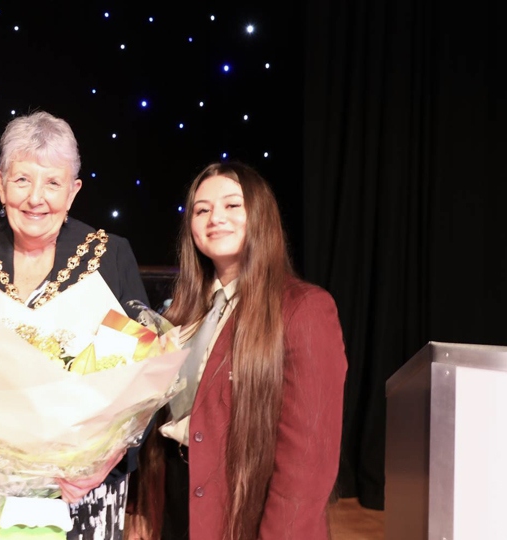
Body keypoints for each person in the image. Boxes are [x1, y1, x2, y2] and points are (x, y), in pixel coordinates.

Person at [0, 110, 151, 540]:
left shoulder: (110, 257)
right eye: (22, 180)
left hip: (85, 488)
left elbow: (141, 381)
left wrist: (97, 464)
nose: (36, 198)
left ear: (73, 191)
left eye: (52, 183)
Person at [133, 161, 347, 540]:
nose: (216, 217)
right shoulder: (180, 315)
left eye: (232, 205)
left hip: (242, 511)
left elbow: (308, 462)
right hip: (174, 501)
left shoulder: (303, 308)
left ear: (260, 215)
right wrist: (142, 508)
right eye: (202, 210)